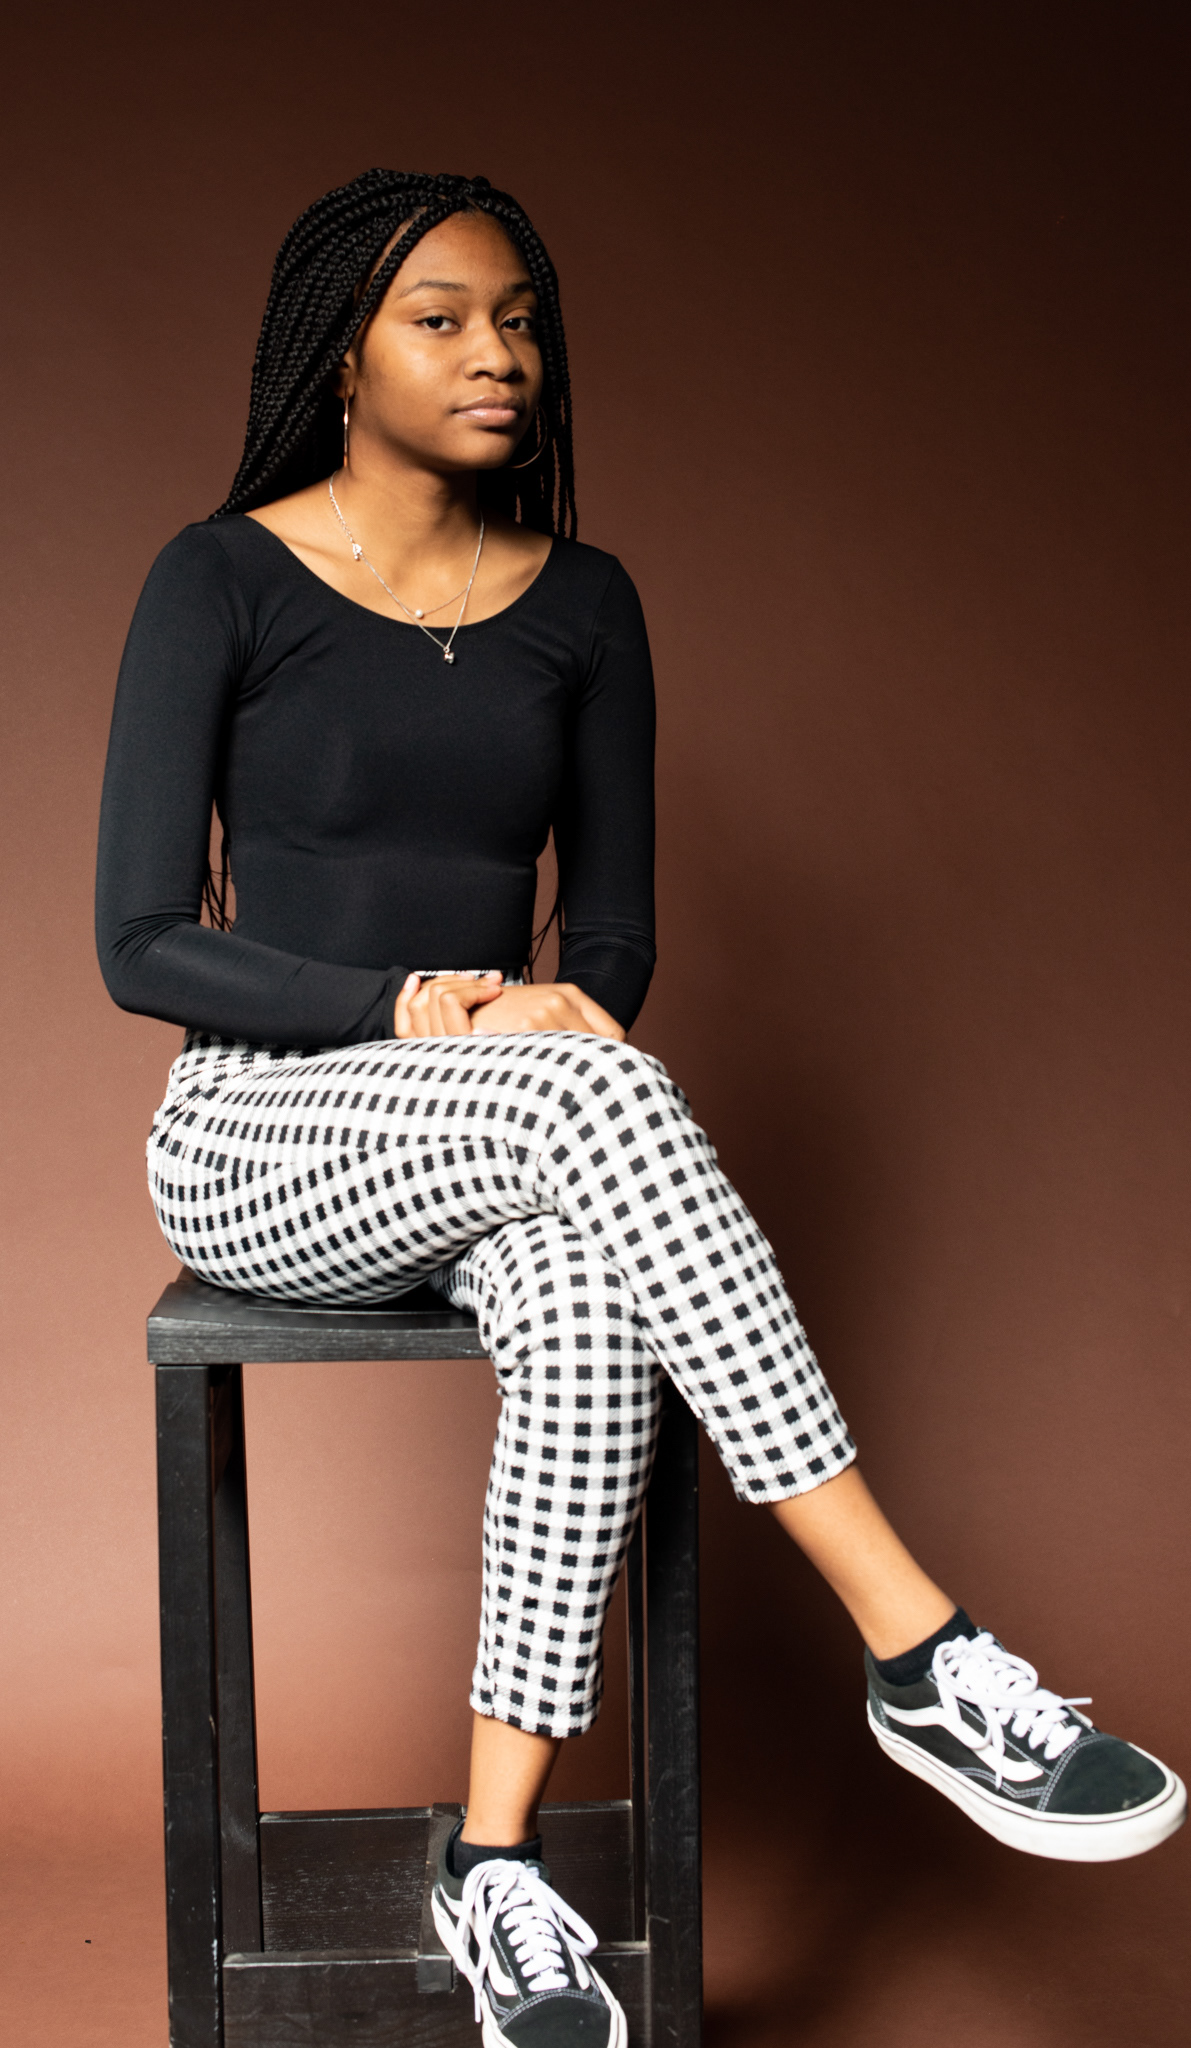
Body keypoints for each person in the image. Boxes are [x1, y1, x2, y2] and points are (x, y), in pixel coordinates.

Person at [95, 168, 1183, 2048]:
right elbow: (138, 942)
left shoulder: (585, 603)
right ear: (341, 354)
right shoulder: (219, 578)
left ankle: (493, 1866)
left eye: (520, 319)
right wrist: (410, 1008)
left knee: (595, 1291)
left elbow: (609, 931)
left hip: (512, 1129)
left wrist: (554, 1023)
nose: (498, 355)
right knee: (598, 1101)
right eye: (443, 319)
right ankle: (916, 1642)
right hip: (264, 1132)